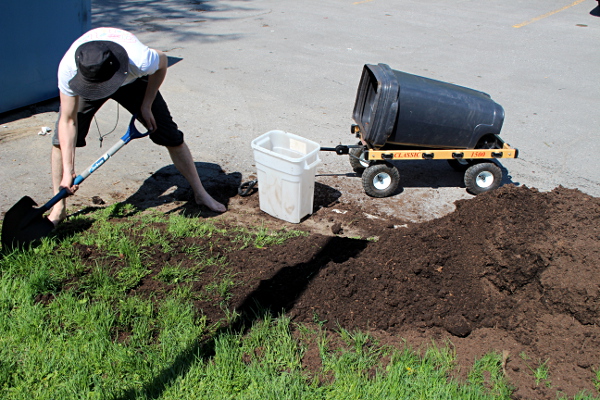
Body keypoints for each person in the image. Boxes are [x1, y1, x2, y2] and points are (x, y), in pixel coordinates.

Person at [49, 27, 226, 226]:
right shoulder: (69, 70)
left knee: (171, 136)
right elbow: (68, 120)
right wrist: (68, 170)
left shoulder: (140, 59)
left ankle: (200, 193)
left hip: (131, 80)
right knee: (59, 142)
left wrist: (147, 104)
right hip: (90, 79)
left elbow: (163, 63)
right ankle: (59, 208)